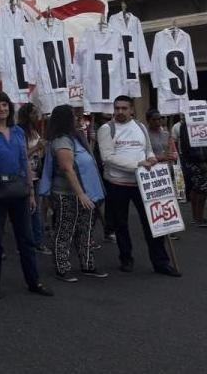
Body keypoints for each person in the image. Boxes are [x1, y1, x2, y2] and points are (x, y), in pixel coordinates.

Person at [0, 91, 54, 299]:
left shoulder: (18, 131)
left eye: (4, 105)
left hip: (19, 190)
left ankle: (34, 281)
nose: (2, 109)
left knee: (26, 239)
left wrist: (30, 193)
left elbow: (24, 162)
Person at [97, 96, 180, 276]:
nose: (120, 111)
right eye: (117, 108)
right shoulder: (106, 129)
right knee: (121, 224)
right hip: (117, 183)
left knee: (153, 222)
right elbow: (107, 158)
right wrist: (138, 165)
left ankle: (161, 262)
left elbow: (147, 148)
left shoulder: (141, 127)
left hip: (143, 183)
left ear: (132, 109)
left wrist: (150, 157)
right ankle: (126, 258)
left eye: (124, 108)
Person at [42, 105, 108, 282]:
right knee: (65, 230)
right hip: (67, 194)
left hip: (85, 193)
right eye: (74, 116)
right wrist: (80, 194)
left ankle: (88, 264)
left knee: (85, 230)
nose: (78, 119)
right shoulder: (62, 140)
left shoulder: (75, 137)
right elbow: (67, 168)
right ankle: (62, 267)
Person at [17, 102, 51, 256]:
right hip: (26, 175)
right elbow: (22, 154)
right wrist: (36, 148)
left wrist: (42, 149)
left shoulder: (34, 130)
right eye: (34, 112)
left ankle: (33, 240)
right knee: (31, 210)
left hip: (36, 173)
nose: (37, 115)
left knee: (35, 209)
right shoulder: (21, 132)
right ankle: (34, 242)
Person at [177, 118, 207, 227]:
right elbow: (187, 146)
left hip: (198, 160)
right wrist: (199, 160)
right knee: (202, 189)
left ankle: (197, 217)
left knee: (197, 188)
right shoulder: (186, 125)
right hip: (195, 161)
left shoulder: (202, 123)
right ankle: (198, 218)